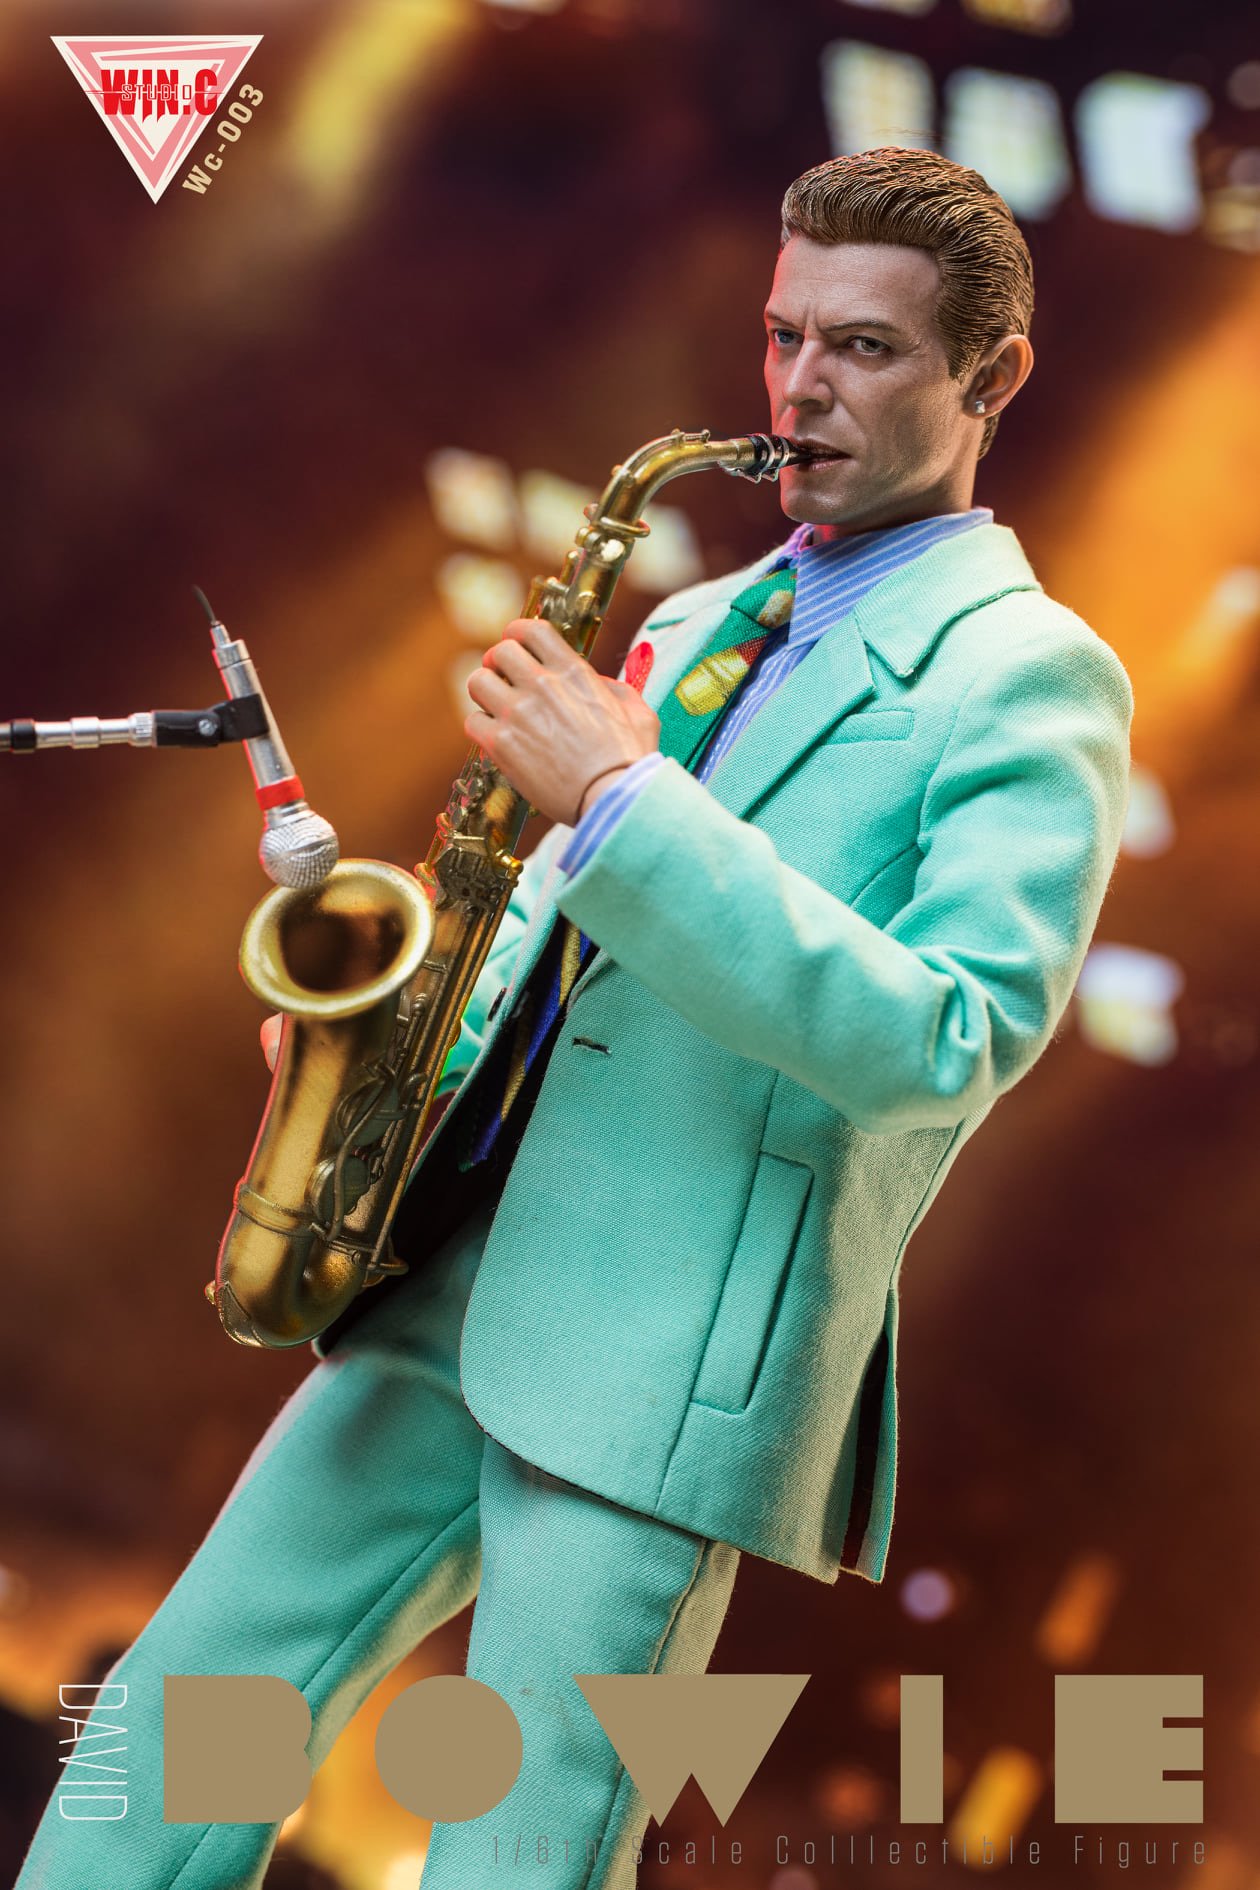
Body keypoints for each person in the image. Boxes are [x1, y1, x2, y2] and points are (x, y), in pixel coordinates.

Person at [17, 147, 1132, 1890]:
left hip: (661, 1366)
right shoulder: (695, 620)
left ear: (993, 378)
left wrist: (623, 801)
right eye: (785, 334)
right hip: (446, 1277)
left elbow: (949, 1038)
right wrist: (390, 1053)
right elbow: (552, 937)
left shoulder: (1029, 672)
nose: (800, 388)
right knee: (164, 1750)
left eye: (866, 348)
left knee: (521, 1855)